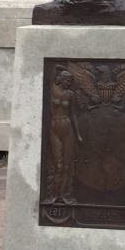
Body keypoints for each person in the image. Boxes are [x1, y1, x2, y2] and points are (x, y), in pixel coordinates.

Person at [47, 67, 82, 204]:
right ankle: (54, 196)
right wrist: (63, 68)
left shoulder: (70, 94)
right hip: (55, 128)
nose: (69, 83)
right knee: (59, 166)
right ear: (60, 80)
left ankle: (64, 196)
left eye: (70, 80)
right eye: (67, 80)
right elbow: (53, 69)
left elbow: (73, 114)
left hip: (68, 129)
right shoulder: (53, 89)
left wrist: (78, 134)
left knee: (67, 166)